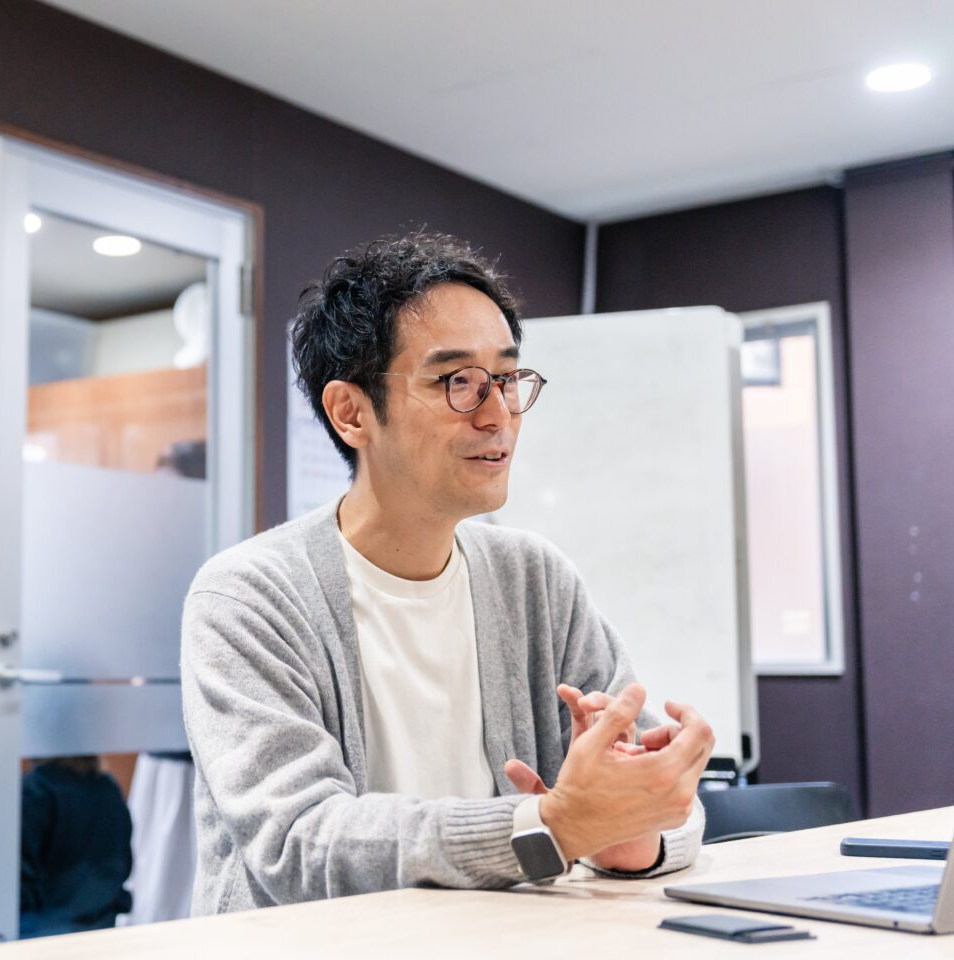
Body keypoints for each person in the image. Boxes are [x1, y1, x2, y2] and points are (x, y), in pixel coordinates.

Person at [180, 231, 714, 915]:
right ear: (351, 413)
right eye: (457, 382)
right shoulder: (248, 597)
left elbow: (662, 808)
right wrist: (550, 828)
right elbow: (299, 844)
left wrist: (631, 830)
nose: (498, 416)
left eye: (507, 379)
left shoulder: (535, 581)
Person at [18, 757, 133, 938]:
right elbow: (123, 864)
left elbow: (20, 880)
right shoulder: (108, 788)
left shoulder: (37, 790)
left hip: (44, 933)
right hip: (101, 925)